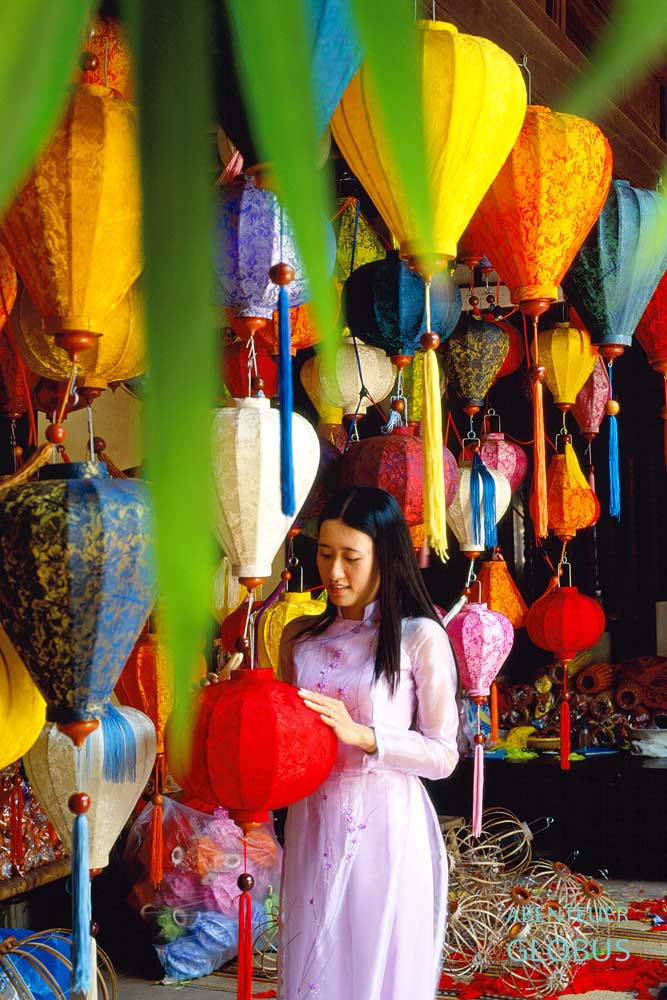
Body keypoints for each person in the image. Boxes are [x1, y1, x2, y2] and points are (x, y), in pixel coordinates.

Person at [278, 486, 460, 1000]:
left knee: (378, 957)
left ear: (386, 556)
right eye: (324, 554)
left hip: (385, 820)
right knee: (316, 951)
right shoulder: (299, 638)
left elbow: (444, 754)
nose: (333, 573)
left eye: (351, 558)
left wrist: (364, 736)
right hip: (312, 816)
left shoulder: (420, 637)